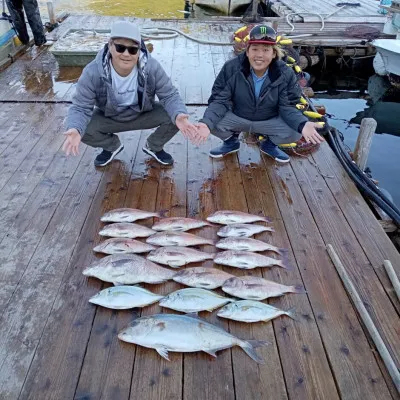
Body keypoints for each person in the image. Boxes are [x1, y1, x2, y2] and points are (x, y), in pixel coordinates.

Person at [62, 20, 197, 167]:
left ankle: (154, 145)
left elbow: (169, 94)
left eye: (133, 50)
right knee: (77, 126)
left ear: (139, 50)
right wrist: (75, 128)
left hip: (142, 114)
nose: (126, 54)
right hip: (110, 117)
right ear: (110, 45)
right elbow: (80, 107)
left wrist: (178, 114)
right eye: (120, 48)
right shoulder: (92, 72)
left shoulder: (151, 67)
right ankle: (111, 145)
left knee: (177, 116)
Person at [195, 25, 324, 163]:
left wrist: (302, 124)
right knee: (210, 121)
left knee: (295, 131)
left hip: (268, 120)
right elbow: (219, 100)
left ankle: (269, 145)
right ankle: (230, 142)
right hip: (238, 116)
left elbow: (288, 107)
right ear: (247, 51)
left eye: (266, 50)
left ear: (274, 53)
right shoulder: (231, 68)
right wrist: (206, 123)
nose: (259, 55)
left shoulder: (285, 74)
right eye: (255, 49)